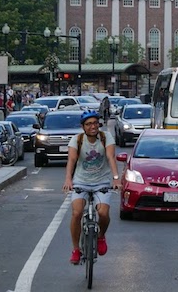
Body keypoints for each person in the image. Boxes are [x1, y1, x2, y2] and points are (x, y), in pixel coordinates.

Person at [63, 110, 122, 265]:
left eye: (95, 123)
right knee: (76, 213)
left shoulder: (105, 137)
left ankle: (101, 236)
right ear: (83, 127)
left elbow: (110, 157)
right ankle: (76, 249)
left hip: (101, 181)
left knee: (103, 213)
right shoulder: (77, 140)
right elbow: (71, 160)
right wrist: (68, 179)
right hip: (81, 181)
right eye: (88, 124)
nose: (93, 126)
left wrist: (116, 179)